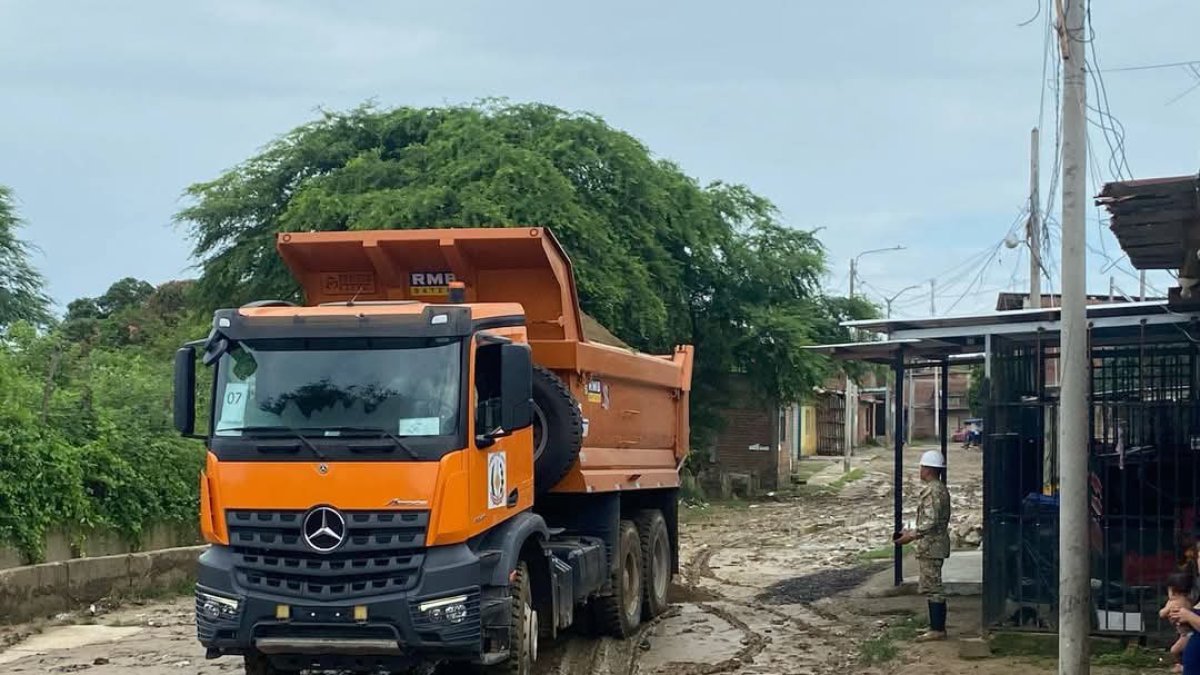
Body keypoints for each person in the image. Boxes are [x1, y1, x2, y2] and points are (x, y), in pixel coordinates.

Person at [894, 450, 951, 641]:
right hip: (933, 545)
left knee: (934, 587)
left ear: (927, 469)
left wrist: (911, 535)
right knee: (931, 585)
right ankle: (935, 626)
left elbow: (931, 521)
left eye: (921, 467)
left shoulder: (933, 491)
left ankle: (938, 629)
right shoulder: (938, 489)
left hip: (931, 546)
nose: (920, 471)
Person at [1163, 572, 1196, 673]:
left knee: (1174, 650)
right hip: (1185, 632)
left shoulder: (1174, 602)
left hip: (1187, 634)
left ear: (1173, 591)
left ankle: (1182, 665)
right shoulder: (1189, 600)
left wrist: (1166, 608)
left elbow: (1162, 614)